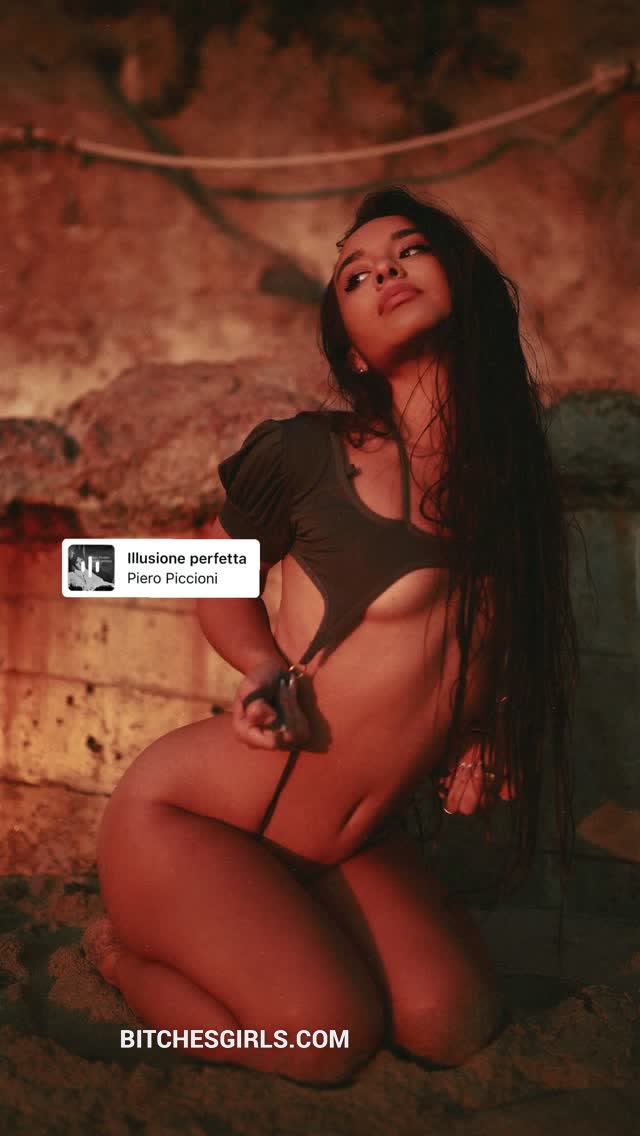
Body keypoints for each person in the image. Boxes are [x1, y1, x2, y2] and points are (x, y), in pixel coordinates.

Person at [82, 186, 577, 1086]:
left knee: (451, 1023)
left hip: (353, 843)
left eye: (408, 250)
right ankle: (119, 958)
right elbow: (205, 571)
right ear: (353, 349)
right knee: (322, 1041)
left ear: (461, 281)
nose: (384, 270)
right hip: (200, 821)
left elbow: (469, 657)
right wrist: (261, 664)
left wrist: (482, 738)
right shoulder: (312, 454)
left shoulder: (514, 489)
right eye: (355, 274)